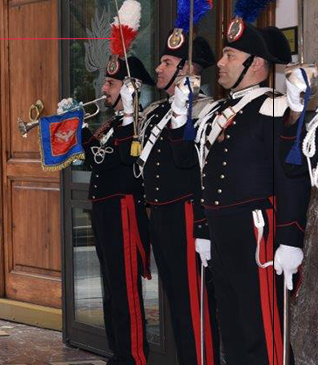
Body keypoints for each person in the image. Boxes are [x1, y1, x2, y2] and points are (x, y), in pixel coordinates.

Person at [169, 18, 309, 365]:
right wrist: (178, 112)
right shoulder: (216, 111)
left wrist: (290, 238)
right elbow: (188, 163)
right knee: (231, 326)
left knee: (261, 329)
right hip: (221, 231)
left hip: (256, 233)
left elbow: (292, 174)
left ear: (256, 63)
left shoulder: (276, 108)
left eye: (229, 55)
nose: (220, 63)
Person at [137, 31, 221, 364]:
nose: (158, 68)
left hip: (188, 216)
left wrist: (202, 224)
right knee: (176, 302)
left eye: (167, 62)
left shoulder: (205, 112)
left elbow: (202, 172)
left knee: (195, 303)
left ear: (187, 72)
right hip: (160, 217)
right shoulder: (158, 111)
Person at [81, 56, 154, 365]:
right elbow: (91, 155)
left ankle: (134, 356)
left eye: (110, 83)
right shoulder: (112, 123)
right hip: (105, 211)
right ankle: (119, 352)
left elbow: (114, 157)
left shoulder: (138, 122)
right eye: (105, 82)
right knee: (111, 287)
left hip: (123, 209)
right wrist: (79, 126)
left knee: (125, 288)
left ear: (129, 88)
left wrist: (127, 115)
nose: (103, 88)